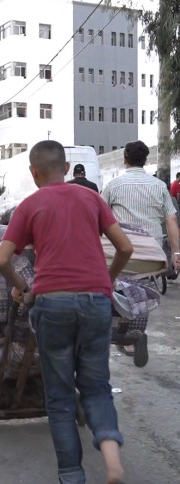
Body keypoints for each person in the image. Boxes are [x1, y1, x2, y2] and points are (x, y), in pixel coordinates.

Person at [0, 140, 133, 484]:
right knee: (97, 387)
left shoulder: (30, 204)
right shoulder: (91, 198)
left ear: (33, 172)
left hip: (52, 303)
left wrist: (21, 287)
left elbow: (0, 259)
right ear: (68, 169)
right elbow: (125, 247)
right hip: (96, 301)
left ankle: (72, 475)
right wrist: (106, 281)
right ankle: (112, 461)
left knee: (59, 397)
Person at [102, 140, 180, 359]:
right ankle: (134, 336)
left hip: (118, 250)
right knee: (142, 290)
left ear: (125, 158)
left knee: (116, 288)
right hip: (150, 253)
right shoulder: (158, 186)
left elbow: (98, 216)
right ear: (145, 160)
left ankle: (124, 336)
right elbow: (171, 219)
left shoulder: (113, 185)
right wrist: (176, 253)